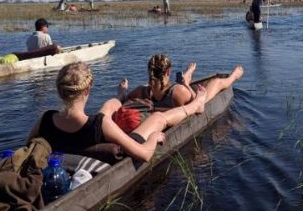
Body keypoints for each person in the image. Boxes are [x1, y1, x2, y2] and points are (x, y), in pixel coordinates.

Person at [27, 62, 208, 162]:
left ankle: (120, 96)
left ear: (60, 91)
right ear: (88, 90)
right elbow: (144, 154)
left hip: (85, 136)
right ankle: (196, 104)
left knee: (110, 104)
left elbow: (29, 146)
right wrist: (154, 138)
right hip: (123, 145)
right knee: (158, 117)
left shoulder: (45, 119)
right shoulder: (100, 124)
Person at [124, 54, 243, 108]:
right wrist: (186, 85)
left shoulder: (141, 91)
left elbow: (125, 98)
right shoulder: (178, 92)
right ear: (168, 72)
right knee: (217, 82)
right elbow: (199, 105)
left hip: (167, 91)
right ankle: (234, 76)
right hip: (194, 99)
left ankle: (187, 75)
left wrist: (122, 91)